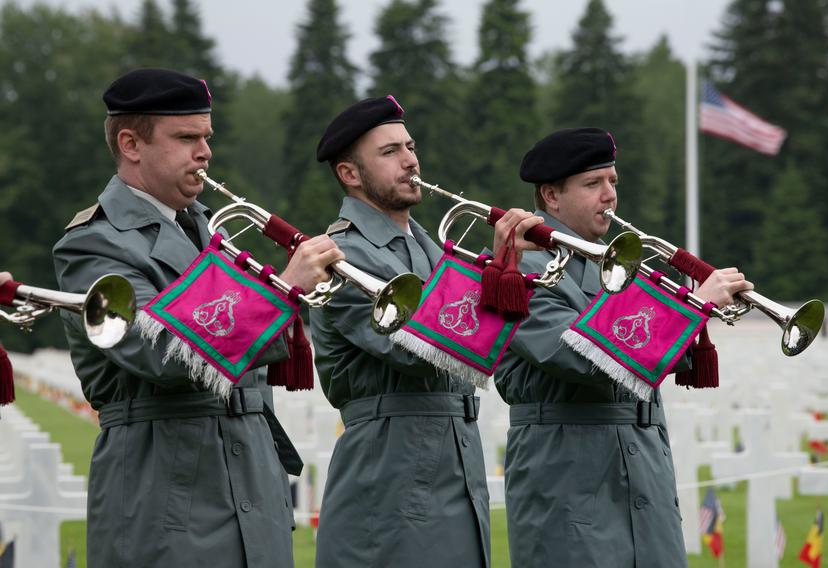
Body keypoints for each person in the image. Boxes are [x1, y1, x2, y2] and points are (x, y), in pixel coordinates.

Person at [52, 68, 344, 568]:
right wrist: (283, 290)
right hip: (165, 499)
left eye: (206, 137)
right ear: (131, 144)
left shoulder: (210, 231)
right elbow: (161, 350)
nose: (205, 152)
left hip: (252, 491)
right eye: (186, 138)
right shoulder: (93, 242)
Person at [496, 127, 754, 567]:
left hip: (644, 475)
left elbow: (655, 356)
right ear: (551, 196)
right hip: (569, 479)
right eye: (593, 184)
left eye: (613, 182)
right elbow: (583, 357)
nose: (609, 196)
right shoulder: (520, 272)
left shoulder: (616, 265)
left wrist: (684, 317)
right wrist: (692, 305)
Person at [308, 95, 540, 568]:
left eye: (410, 146)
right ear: (350, 174)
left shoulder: (433, 250)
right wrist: (497, 269)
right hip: (390, 474)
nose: (411, 159)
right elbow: (424, 347)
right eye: (389, 151)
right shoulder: (342, 256)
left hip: (453, 466)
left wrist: (515, 269)